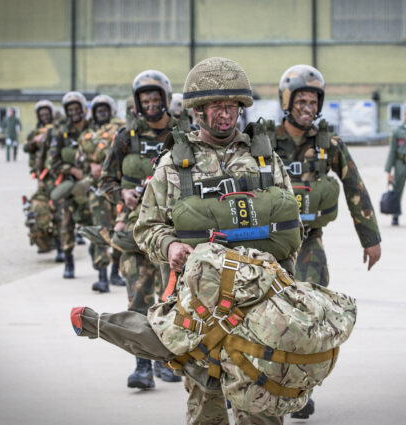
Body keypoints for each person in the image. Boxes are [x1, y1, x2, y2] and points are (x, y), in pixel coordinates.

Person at [134, 57, 301, 425]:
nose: (225, 115)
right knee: (206, 405)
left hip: (260, 302)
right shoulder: (173, 166)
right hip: (201, 307)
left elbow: (290, 228)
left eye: (231, 107)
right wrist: (171, 247)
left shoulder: (264, 161)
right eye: (216, 107)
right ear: (198, 111)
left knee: (261, 406)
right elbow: (146, 227)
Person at [273, 64, 382, 419]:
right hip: (269, 244)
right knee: (258, 314)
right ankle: (248, 384)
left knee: (310, 315)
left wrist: (371, 239)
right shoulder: (264, 142)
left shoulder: (328, 144)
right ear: (286, 101)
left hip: (308, 243)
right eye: (300, 99)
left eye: (313, 100)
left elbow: (355, 188)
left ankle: (300, 390)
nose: (307, 107)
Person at [100, 70, 190, 388]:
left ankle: (168, 359)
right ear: (138, 103)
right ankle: (142, 366)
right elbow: (106, 181)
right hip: (136, 227)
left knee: (171, 297)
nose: (151, 105)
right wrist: (120, 193)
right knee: (138, 296)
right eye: (145, 100)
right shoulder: (126, 137)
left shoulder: (184, 133)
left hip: (170, 230)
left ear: (165, 100)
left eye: (156, 99)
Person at [76, 94, 126, 292]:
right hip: (98, 191)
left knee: (118, 230)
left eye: (104, 109)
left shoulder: (120, 128)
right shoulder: (86, 135)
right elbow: (80, 159)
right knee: (100, 230)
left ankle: (115, 272)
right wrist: (90, 164)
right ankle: (102, 276)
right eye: (98, 110)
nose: (102, 113)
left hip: (118, 188)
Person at [46, 91, 93, 278]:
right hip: (68, 184)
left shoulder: (92, 129)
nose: (74, 112)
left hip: (90, 184)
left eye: (77, 108)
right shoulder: (61, 132)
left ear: (83, 109)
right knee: (66, 223)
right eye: (70, 109)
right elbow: (52, 162)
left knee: (96, 224)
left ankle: (102, 268)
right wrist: (72, 170)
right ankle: (68, 262)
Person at [21, 100, 63, 257]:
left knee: (59, 210)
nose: (44, 116)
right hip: (42, 178)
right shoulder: (35, 132)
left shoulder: (58, 129)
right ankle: (43, 240)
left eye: (47, 114)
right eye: (41, 114)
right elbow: (26, 147)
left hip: (57, 175)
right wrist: (35, 141)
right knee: (39, 209)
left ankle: (60, 247)